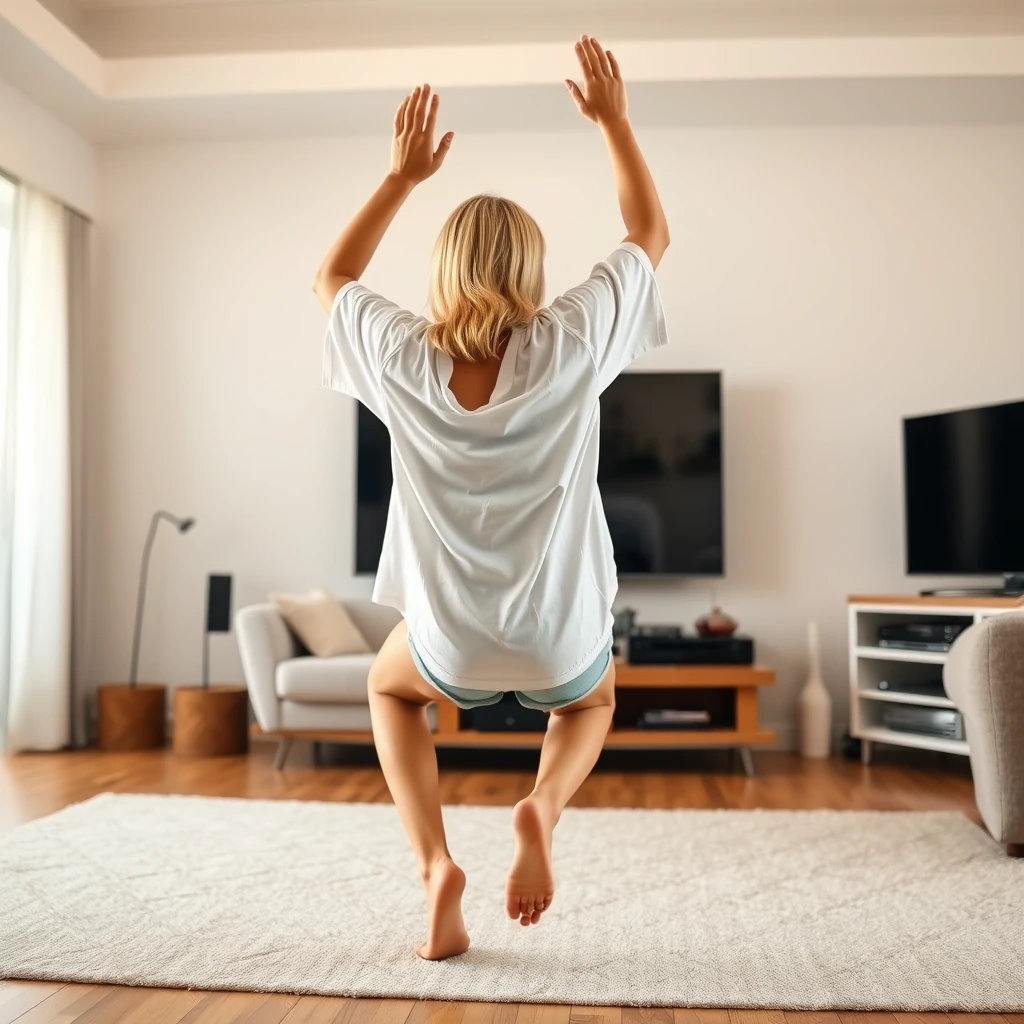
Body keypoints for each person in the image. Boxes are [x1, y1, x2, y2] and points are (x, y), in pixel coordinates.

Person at [313, 35, 670, 960]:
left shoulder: (401, 358)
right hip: (556, 638)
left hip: (452, 646)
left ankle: (436, 866)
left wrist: (401, 178)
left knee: (389, 690)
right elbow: (648, 237)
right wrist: (615, 123)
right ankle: (541, 809)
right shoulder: (571, 345)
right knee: (589, 706)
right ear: (530, 271)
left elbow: (334, 280)